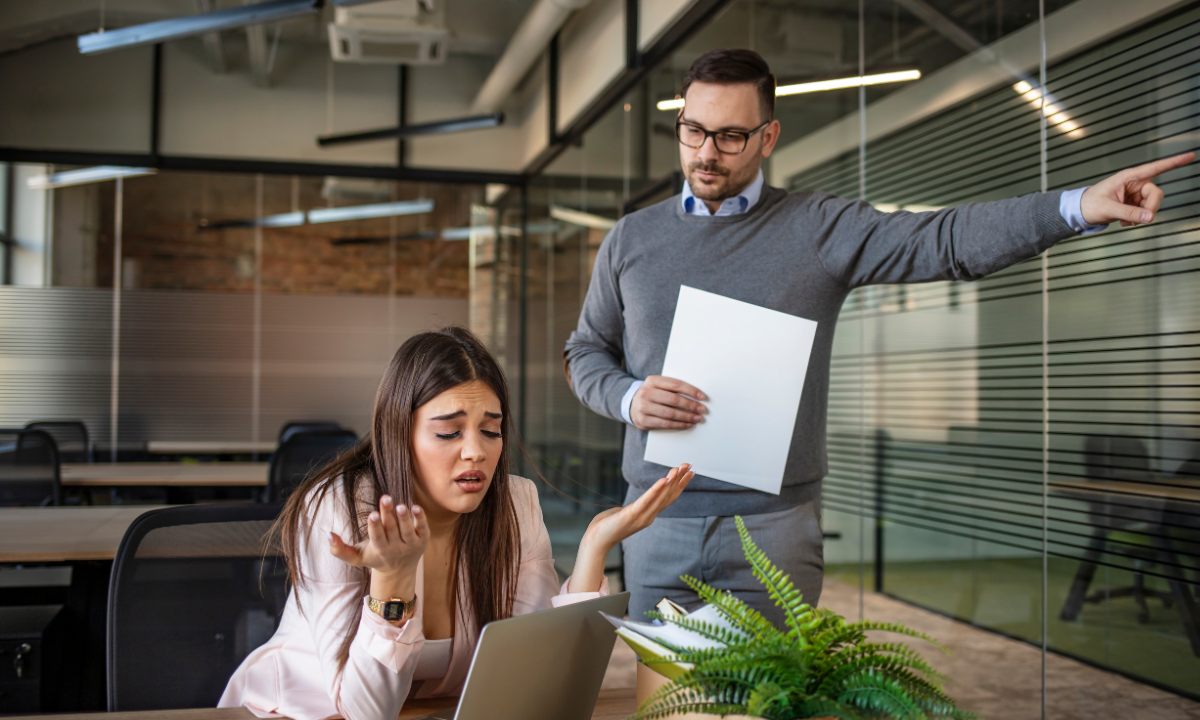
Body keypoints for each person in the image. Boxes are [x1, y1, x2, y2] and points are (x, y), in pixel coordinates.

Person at [563, 47, 1195, 626]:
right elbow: (585, 350)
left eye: (730, 136)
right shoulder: (632, 238)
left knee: (775, 703)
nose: (706, 153)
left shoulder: (817, 228)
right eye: (694, 131)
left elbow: (944, 241)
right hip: (652, 521)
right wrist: (626, 398)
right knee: (660, 702)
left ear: (769, 136)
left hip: (773, 530)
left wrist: (1076, 206)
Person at [219, 327, 694, 720]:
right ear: (399, 432)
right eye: (449, 432)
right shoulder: (340, 508)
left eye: (491, 430)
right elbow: (366, 711)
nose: (477, 451)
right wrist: (393, 580)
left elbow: (540, 673)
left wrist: (593, 548)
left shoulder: (515, 502)